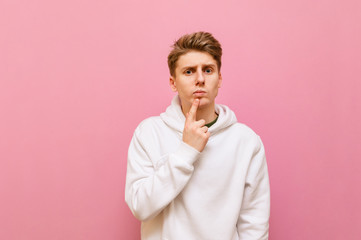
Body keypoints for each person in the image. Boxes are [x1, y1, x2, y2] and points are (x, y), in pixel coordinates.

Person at [125, 31, 270, 240]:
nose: (200, 79)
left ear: (219, 79)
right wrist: (187, 151)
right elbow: (140, 207)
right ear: (173, 82)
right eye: (189, 71)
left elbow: (254, 223)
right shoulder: (148, 133)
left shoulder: (246, 141)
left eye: (208, 70)